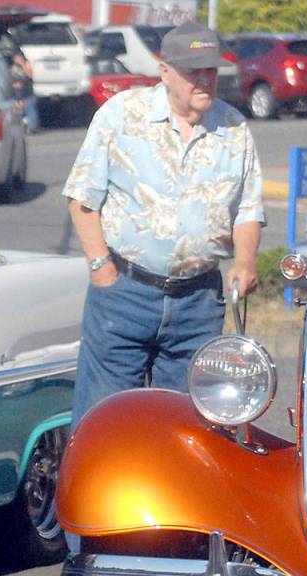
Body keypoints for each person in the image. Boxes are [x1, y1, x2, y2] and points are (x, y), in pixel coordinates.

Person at [63, 21, 265, 426]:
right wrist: (102, 268)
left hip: (198, 303)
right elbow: (82, 199)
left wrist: (244, 261)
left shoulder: (234, 130)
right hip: (125, 294)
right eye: (194, 72)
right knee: (104, 425)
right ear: (165, 70)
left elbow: (248, 209)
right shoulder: (122, 115)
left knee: (185, 428)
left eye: (211, 70)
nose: (205, 80)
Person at [10, 49, 38, 132]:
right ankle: (23, 128)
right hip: (18, 94)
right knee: (19, 112)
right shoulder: (14, 68)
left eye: (18, 57)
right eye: (15, 58)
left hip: (28, 93)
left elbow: (30, 75)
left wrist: (22, 64)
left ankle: (33, 127)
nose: (16, 60)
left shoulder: (26, 65)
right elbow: (13, 80)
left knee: (30, 111)